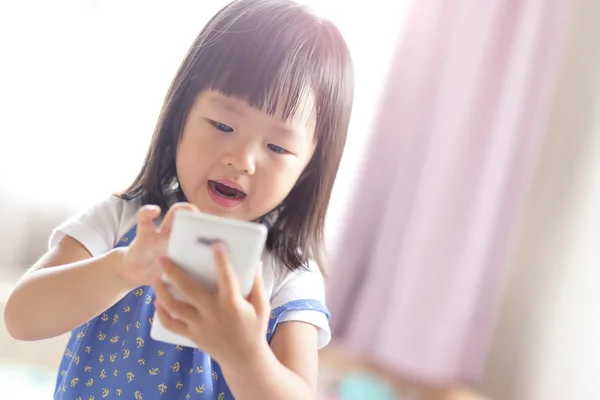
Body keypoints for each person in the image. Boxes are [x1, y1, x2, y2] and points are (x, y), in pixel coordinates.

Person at [3, 0, 354, 398]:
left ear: (307, 168)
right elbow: (21, 318)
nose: (241, 159)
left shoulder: (287, 273)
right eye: (223, 125)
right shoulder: (126, 219)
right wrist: (120, 271)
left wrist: (245, 356)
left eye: (276, 147)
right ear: (180, 116)